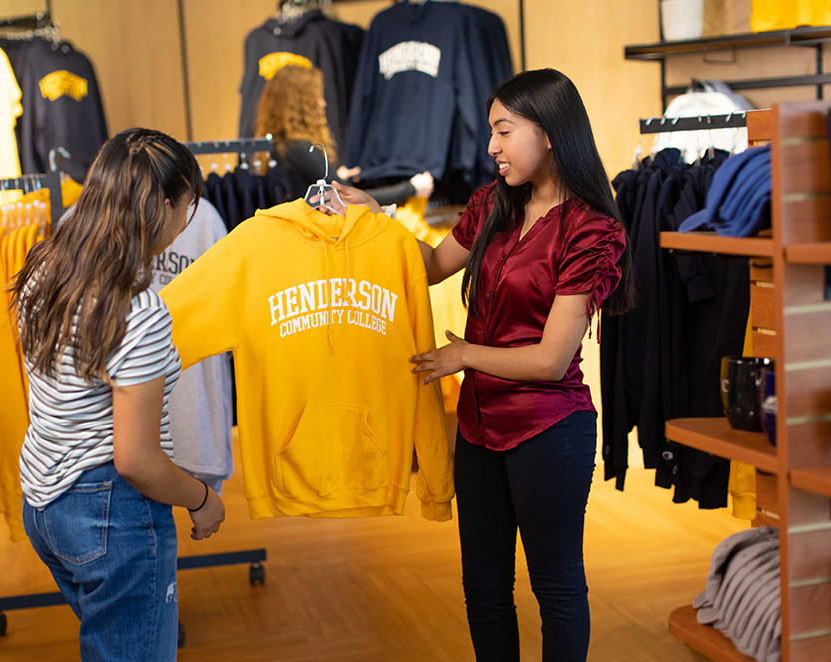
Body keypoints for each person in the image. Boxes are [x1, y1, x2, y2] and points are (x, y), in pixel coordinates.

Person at [328, 68, 635, 661]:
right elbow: (429, 266)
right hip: (477, 428)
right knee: (484, 590)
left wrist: (465, 354)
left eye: (504, 131)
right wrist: (373, 216)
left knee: (556, 587)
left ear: (549, 133)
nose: (491, 146)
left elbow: (551, 361)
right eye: (492, 132)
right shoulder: (493, 204)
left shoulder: (592, 230)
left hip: (549, 430)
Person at [11, 128, 226, 661]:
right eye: (188, 205)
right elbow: (136, 459)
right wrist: (202, 499)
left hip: (45, 500)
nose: (188, 219)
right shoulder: (137, 311)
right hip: (110, 515)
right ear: (166, 205)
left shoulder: (46, 265)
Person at [254, 63, 433, 205]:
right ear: (301, 103)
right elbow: (351, 198)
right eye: (316, 97)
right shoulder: (300, 147)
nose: (323, 104)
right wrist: (411, 188)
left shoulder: (280, 146)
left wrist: (337, 177)